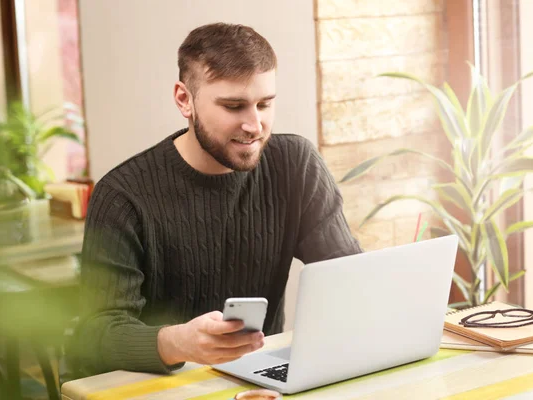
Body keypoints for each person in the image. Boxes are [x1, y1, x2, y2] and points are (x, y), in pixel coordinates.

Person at [70, 22, 362, 377]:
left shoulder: (294, 163)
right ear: (184, 100)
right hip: (154, 386)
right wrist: (177, 342)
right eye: (234, 106)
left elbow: (347, 276)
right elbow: (95, 333)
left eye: (265, 104)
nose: (254, 125)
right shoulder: (122, 196)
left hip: (256, 382)